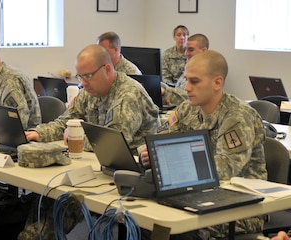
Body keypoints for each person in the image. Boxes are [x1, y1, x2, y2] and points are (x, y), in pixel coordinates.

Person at [140, 50, 267, 239]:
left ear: (217, 83)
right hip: (193, 192)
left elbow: (225, 169)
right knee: (143, 220)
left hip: (241, 206)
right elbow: (158, 140)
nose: (187, 88)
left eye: (195, 81)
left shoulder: (237, 117)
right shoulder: (187, 108)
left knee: (176, 230)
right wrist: (150, 154)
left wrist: (171, 162)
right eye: (186, 80)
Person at [25, 44, 160, 152]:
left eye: (88, 76)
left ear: (107, 69)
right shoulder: (89, 92)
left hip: (136, 167)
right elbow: (66, 122)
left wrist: (74, 137)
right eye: (80, 76)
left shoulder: (128, 94)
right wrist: (39, 133)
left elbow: (113, 144)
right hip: (102, 162)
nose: (83, 83)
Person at [162, 33, 209, 106]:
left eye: (190, 50)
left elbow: (192, 98)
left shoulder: (208, 72)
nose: (186, 54)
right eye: (186, 49)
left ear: (204, 51)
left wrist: (165, 92)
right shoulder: (189, 69)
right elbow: (180, 91)